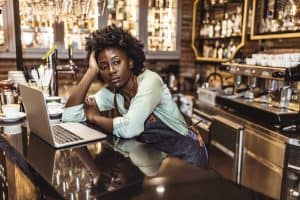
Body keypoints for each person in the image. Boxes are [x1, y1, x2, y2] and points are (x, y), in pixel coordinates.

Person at [62, 25, 208, 168]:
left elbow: (130, 128)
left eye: (116, 62)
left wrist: (95, 117)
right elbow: (70, 116)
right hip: (160, 158)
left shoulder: (150, 81)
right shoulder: (112, 93)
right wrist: (91, 71)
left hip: (188, 154)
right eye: (104, 66)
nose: (111, 70)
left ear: (130, 62)